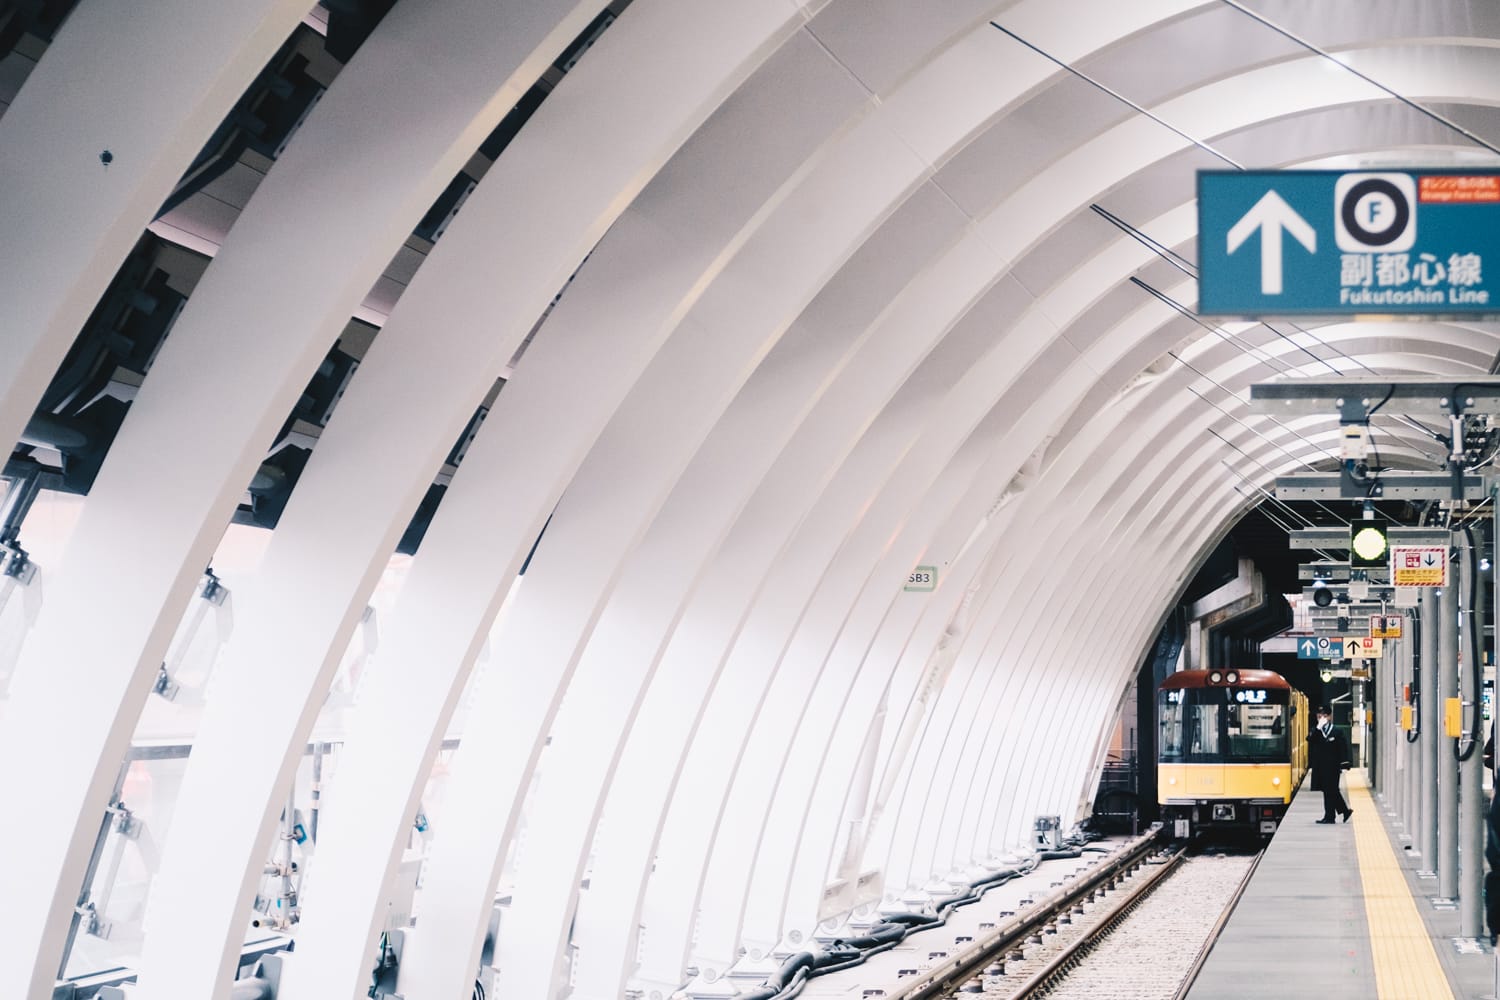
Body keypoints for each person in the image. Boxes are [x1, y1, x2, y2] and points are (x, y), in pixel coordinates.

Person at [1307, 705, 1352, 823]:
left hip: (1333, 767)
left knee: (1330, 790)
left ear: (1330, 717)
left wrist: (1344, 762)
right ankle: (1342, 812)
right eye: (1319, 716)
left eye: (1324, 716)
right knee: (1329, 790)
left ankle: (1330, 816)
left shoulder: (1337, 731)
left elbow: (1342, 748)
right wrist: (1318, 728)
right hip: (1320, 767)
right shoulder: (1315, 730)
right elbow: (1310, 740)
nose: (1322, 718)